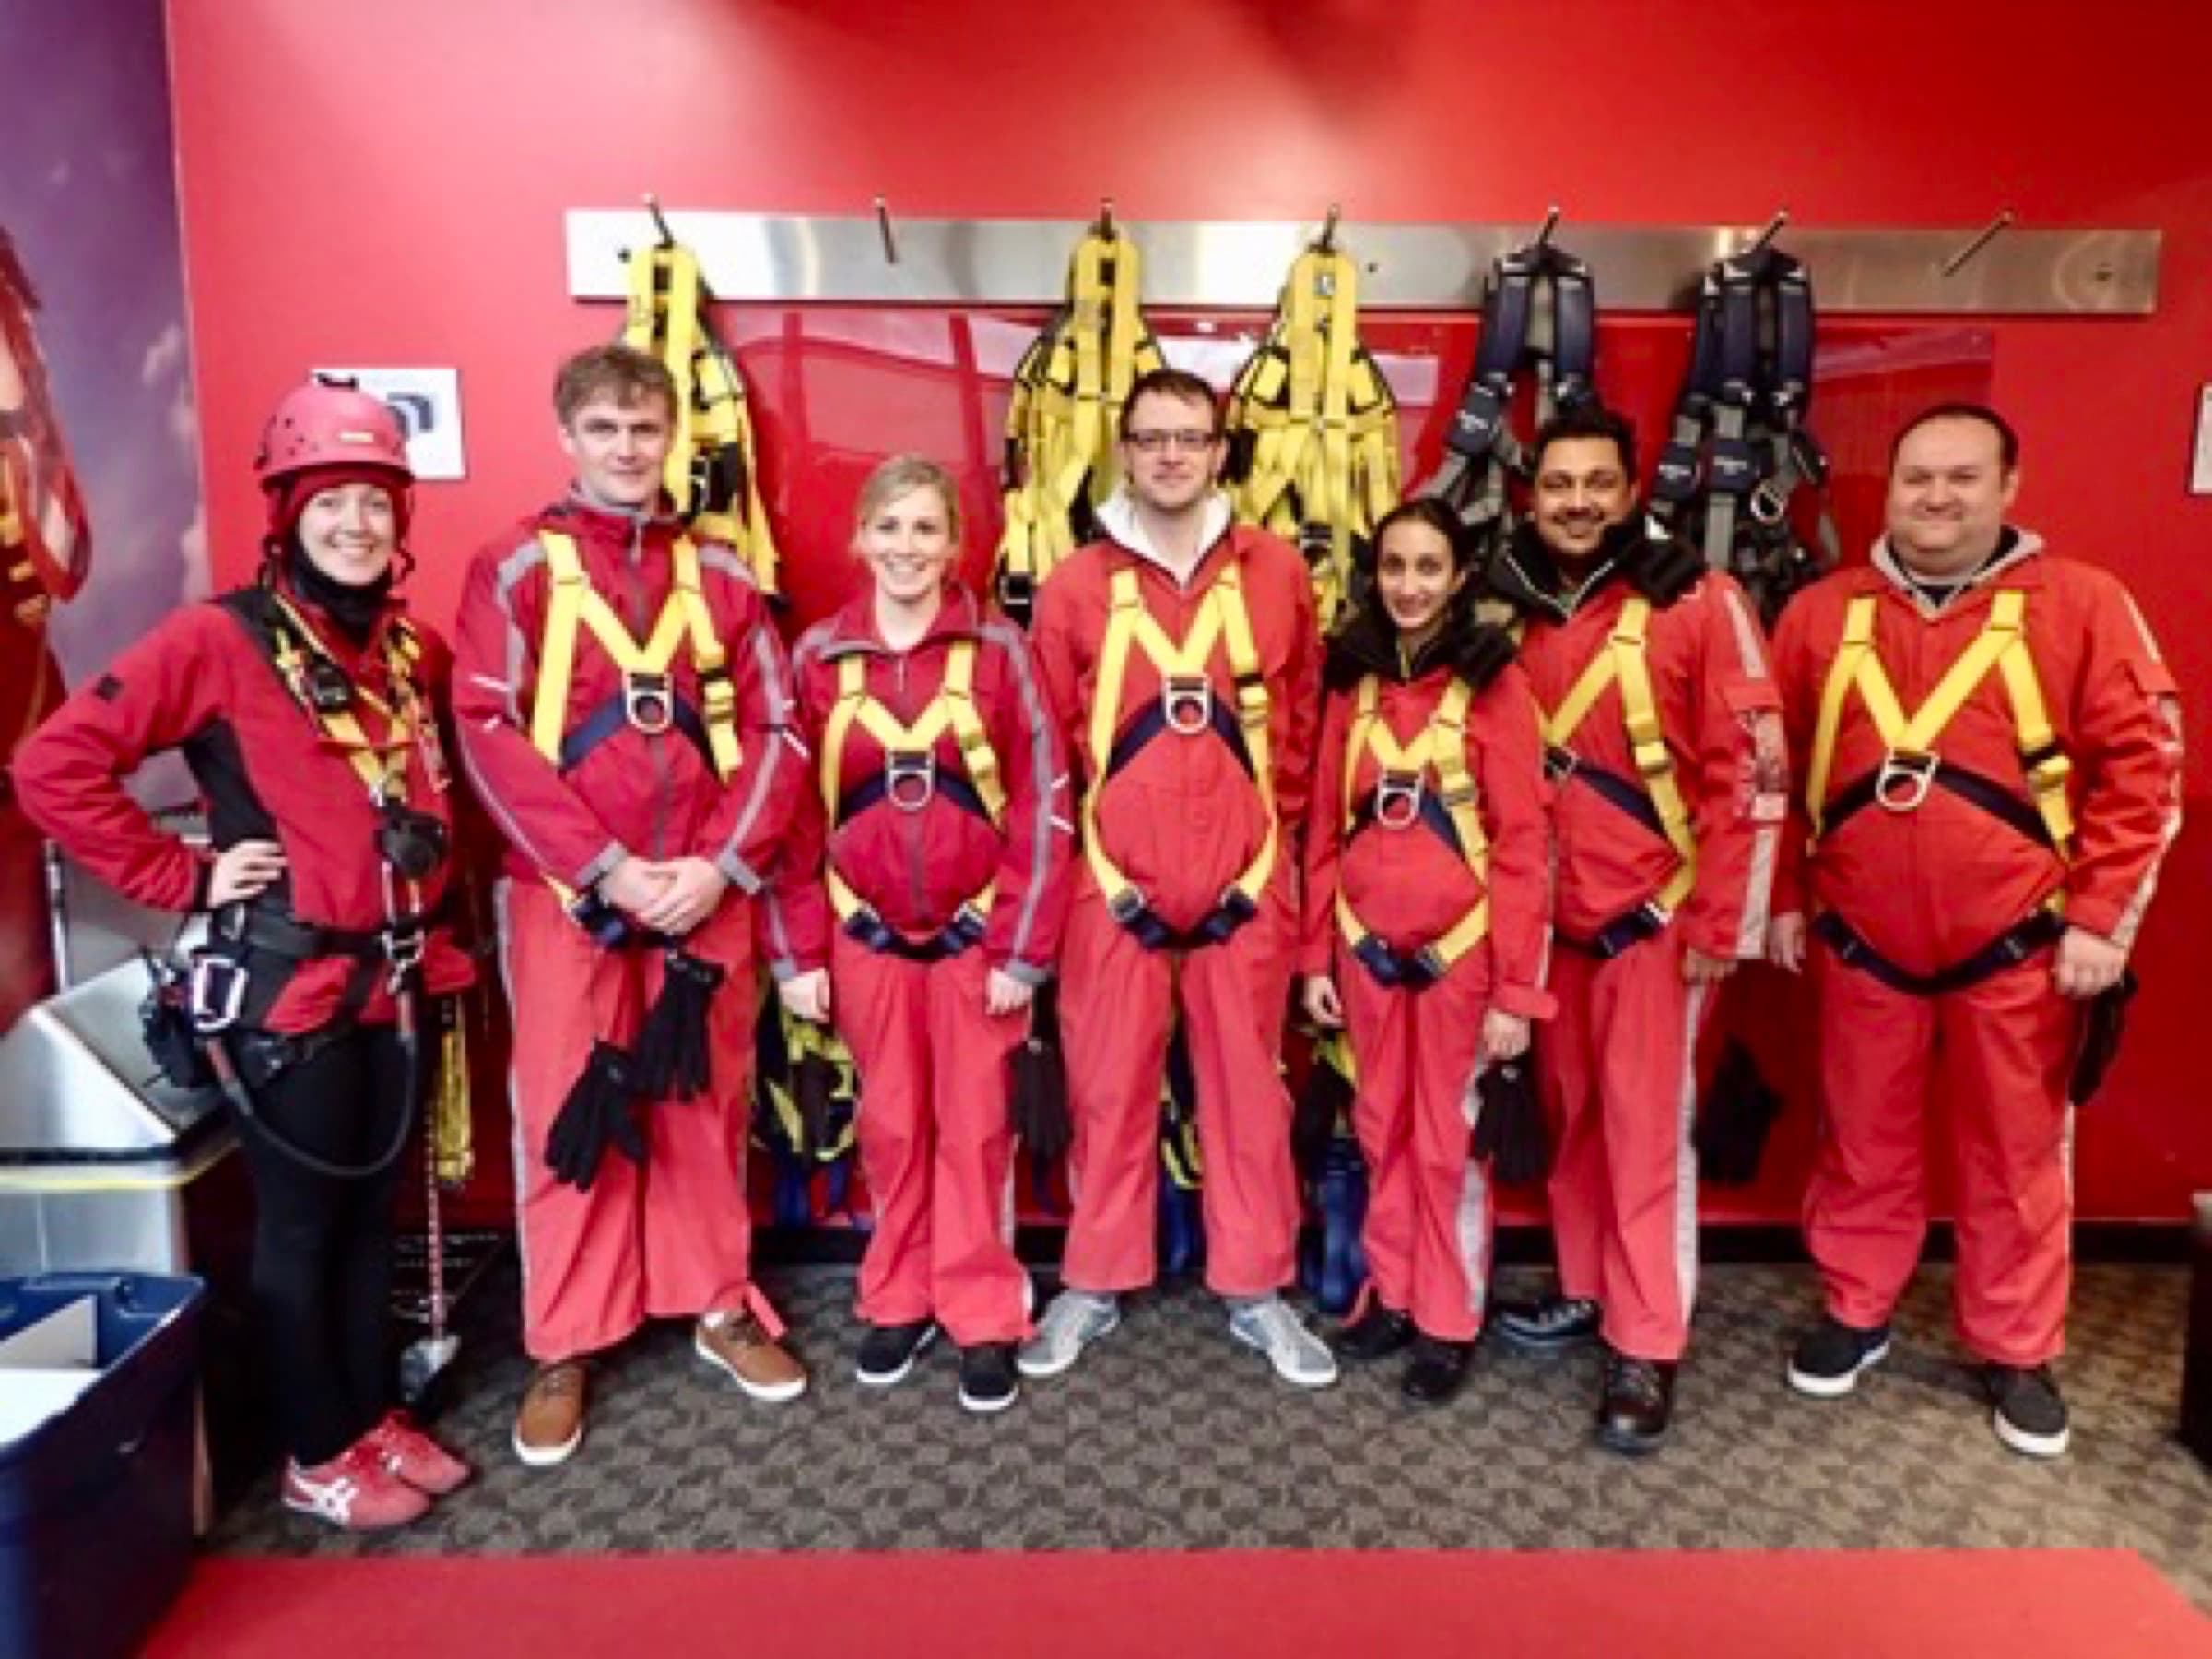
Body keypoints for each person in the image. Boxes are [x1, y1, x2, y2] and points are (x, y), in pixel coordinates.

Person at [13, 377, 474, 1529]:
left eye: (375, 503)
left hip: (396, 979)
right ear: (289, 511)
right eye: (332, 504)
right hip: (291, 992)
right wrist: (185, 878)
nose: (356, 526)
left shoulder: (411, 654)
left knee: (368, 1220)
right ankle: (316, 1451)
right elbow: (51, 767)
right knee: (306, 1227)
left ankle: (368, 1417)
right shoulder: (219, 642)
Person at [1768, 404, 2183, 1459]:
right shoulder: (1822, 614)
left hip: (2023, 949)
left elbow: (2147, 769)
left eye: (1961, 478)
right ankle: (1858, 1308)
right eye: (1917, 479)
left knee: (2017, 1155)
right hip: (1862, 941)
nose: (1936, 499)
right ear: (1889, 487)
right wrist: (1775, 898)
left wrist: (2100, 920)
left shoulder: (2082, 606)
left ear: (2010, 485)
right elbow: (1767, 777)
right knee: (1861, 1139)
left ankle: (2016, 1344)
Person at [453, 343, 804, 1467]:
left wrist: (718, 867)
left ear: (674, 440)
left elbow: (778, 733)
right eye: (604, 428)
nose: (626, 448)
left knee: (705, 1103)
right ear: (567, 436)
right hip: (570, 899)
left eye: (645, 429)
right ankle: (566, 1336)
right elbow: (486, 729)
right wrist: (602, 867)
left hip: (704, 891)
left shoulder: (729, 579)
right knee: (570, 1110)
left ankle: (714, 1299)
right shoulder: (514, 571)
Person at [1021, 365, 1335, 1389]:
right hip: (1110, 889)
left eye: (1189, 438)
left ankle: (1258, 1290)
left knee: (1252, 1096)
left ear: (1218, 450)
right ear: (1124, 448)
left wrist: (1273, 861)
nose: (1169, 455)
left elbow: (1300, 733)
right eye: (1151, 436)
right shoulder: (1074, 585)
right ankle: (1094, 1280)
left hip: (1247, 887)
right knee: (1108, 1090)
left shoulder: (1277, 572)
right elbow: (1047, 753)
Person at [1482, 405, 1785, 1453]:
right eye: (1557, 483)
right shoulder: (1502, 602)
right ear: (1530, 491)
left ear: (1629, 490)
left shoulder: (1700, 601)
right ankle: (1586, 1288)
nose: (1575, 503)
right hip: (1538, 933)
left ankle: (1647, 1339)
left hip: (1656, 924)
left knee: (1648, 1137)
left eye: (1595, 483)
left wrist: (1721, 923)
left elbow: (1752, 769)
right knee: (1567, 1122)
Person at [764, 455, 1069, 1413]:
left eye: (925, 529)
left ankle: (982, 1308)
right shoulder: (816, 658)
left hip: (979, 942)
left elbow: (1045, 804)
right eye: (888, 528)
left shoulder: (1000, 651)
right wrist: (798, 954)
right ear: (858, 538)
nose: (905, 548)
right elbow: (789, 824)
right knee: (892, 1126)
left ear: (955, 544)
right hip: (864, 940)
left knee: (977, 1130)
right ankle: (898, 1293)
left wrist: (1022, 948)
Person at [1298, 498, 1553, 1405]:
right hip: (1365, 957)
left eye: (1428, 568)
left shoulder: (1495, 686)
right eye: (1394, 567)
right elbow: (1321, 830)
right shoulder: (1352, 682)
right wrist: (1313, 961)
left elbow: (1523, 845)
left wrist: (1516, 992)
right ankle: (1394, 1291)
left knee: (1446, 1141)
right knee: (1380, 1130)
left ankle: (1448, 1315)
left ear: (1459, 577)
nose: (1409, 586)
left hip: (1462, 960)